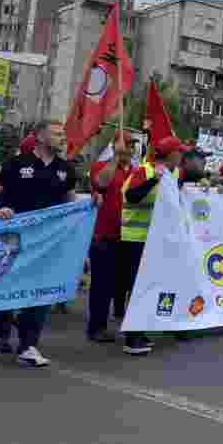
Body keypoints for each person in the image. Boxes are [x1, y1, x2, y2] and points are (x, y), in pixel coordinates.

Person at [0, 120, 79, 367]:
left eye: (63, 134)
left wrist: (91, 203)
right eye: (57, 133)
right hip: (11, 241)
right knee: (6, 286)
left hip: (47, 244)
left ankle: (28, 346)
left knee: (40, 291)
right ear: (40, 137)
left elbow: (70, 206)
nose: (62, 137)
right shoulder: (16, 163)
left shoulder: (66, 169)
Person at [121, 136, 184, 356]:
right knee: (138, 287)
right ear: (170, 155)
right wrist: (153, 180)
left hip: (158, 240)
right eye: (179, 152)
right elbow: (130, 196)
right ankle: (132, 337)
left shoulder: (175, 173)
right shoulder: (144, 171)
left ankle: (141, 329)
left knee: (152, 285)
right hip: (136, 238)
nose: (182, 156)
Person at [87, 131, 134, 344]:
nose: (129, 148)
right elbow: (101, 184)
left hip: (129, 236)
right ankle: (97, 327)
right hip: (105, 235)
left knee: (125, 283)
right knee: (102, 285)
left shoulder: (136, 171)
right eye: (126, 143)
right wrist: (115, 158)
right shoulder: (102, 166)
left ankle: (129, 324)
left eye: (133, 144)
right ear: (114, 145)